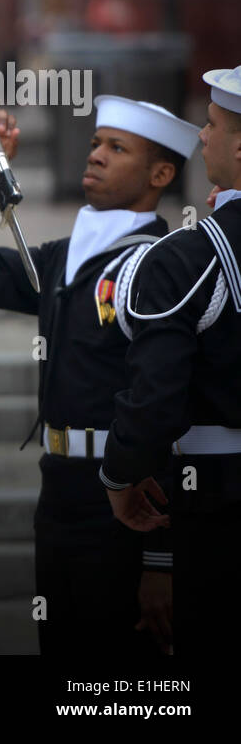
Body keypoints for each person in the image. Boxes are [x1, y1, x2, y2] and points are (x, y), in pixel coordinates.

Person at [0, 96, 199, 655]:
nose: (96, 155)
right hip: (58, 490)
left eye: (117, 148)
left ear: (161, 174)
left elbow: (166, 415)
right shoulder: (65, 257)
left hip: (125, 501)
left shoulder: (159, 265)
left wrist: (160, 561)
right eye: (97, 142)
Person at [104, 65, 241, 655]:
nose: (202, 137)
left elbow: (155, 399)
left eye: (212, 125)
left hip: (217, 499)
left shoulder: (187, 258)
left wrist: (120, 474)